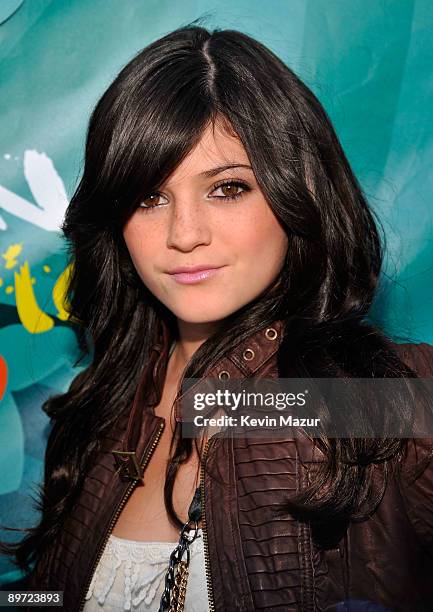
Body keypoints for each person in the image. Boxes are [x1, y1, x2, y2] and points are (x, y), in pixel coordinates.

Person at [1, 22, 433, 612]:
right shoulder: (99, 409)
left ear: (297, 195)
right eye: (149, 197)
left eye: (227, 188)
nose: (184, 235)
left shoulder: (393, 399)